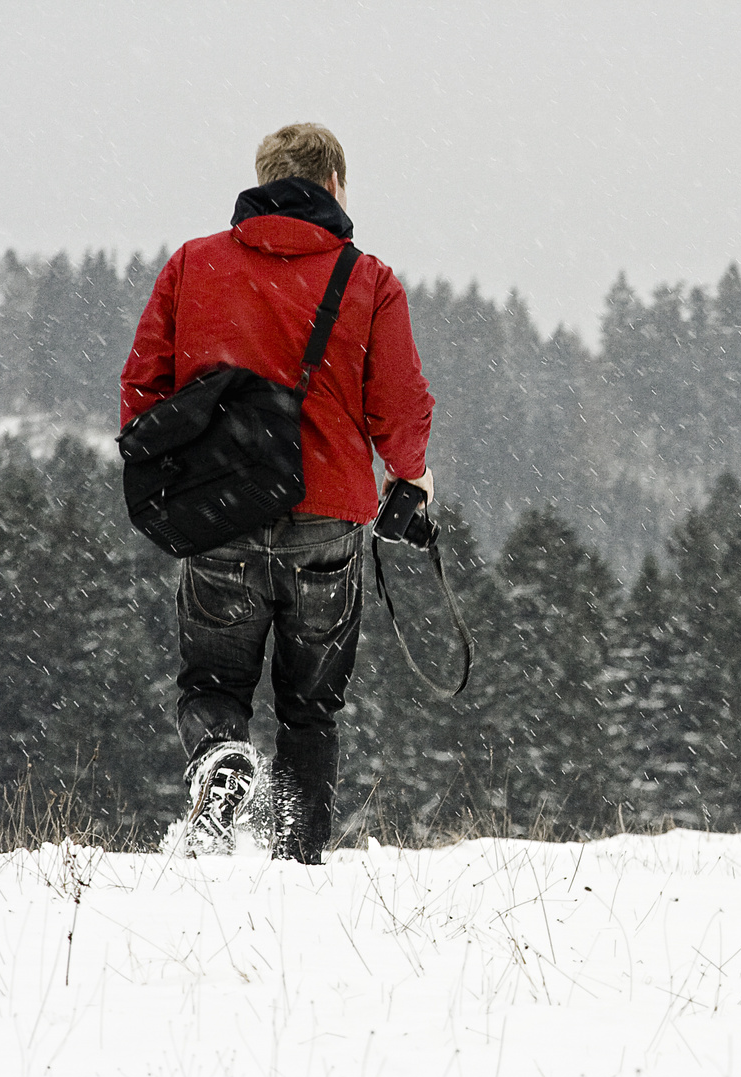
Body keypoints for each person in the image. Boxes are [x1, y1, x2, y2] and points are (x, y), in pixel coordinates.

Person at [120, 123, 436, 863]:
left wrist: (177, 463)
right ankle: (298, 850)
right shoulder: (369, 280)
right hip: (325, 518)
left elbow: (142, 388)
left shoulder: (192, 266)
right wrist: (409, 478)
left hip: (223, 512)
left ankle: (219, 761)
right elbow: (400, 408)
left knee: (213, 680)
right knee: (311, 704)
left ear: (263, 180)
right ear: (333, 186)